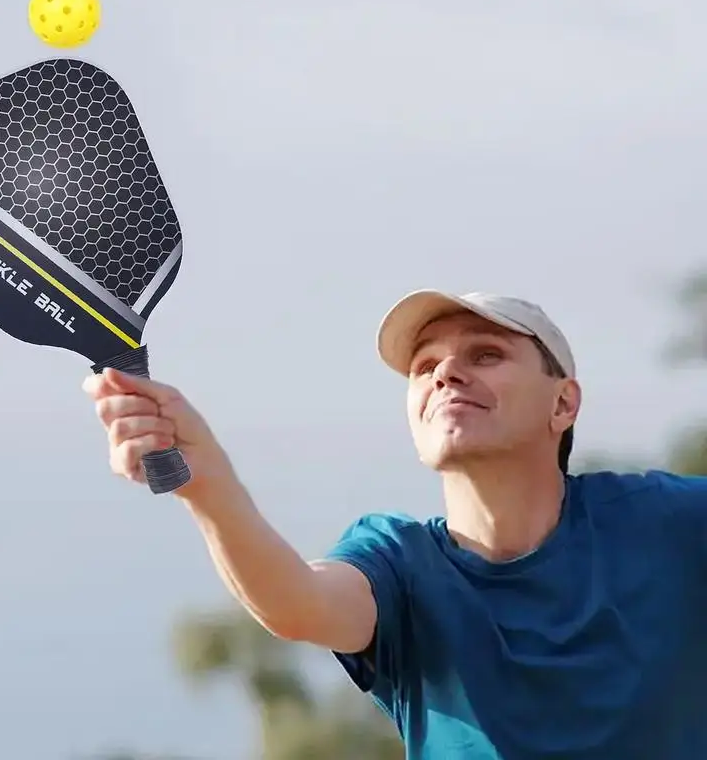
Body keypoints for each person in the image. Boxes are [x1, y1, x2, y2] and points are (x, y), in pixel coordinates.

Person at [83, 289, 707, 760]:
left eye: (485, 354)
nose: (445, 372)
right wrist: (205, 483)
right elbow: (296, 601)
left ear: (563, 403)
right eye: (423, 365)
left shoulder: (664, 521)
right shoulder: (399, 563)